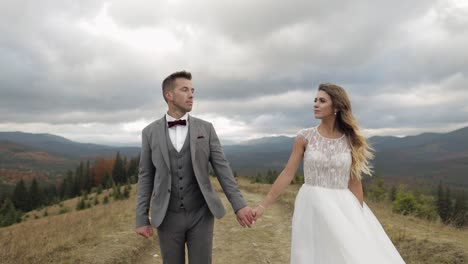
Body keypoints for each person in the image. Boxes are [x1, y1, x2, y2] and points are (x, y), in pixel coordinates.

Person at [253, 83, 406, 263]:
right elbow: (287, 173)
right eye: (315, 100)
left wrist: (360, 215)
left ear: (336, 107)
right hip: (311, 205)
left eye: (322, 101)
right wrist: (263, 206)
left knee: (349, 255)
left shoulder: (351, 140)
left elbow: (355, 182)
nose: (315, 104)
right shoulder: (305, 137)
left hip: (343, 207)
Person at [135, 70, 255, 264]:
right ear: (169, 95)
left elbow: (223, 169)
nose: (191, 95)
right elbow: (146, 176)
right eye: (185, 90)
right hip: (167, 216)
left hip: (201, 213)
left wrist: (239, 205)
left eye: (193, 90)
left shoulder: (206, 129)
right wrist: (141, 218)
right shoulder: (149, 132)